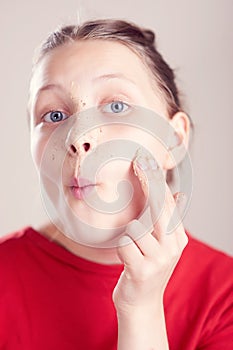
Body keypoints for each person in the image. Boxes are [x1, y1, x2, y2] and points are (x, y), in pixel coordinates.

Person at [0, 18, 232, 350]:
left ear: (173, 139)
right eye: (54, 115)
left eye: (116, 106)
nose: (79, 138)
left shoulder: (224, 296)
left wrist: (141, 308)